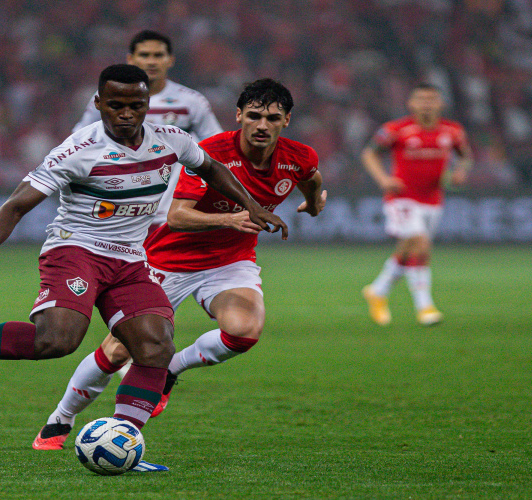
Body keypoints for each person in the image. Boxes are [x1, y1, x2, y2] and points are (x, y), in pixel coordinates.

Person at [0, 64, 287, 470]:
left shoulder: (172, 140)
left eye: (135, 105)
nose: (126, 113)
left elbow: (211, 168)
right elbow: (16, 204)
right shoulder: (77, 150)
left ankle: (124, 441)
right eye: (115, 105)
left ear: (147, 105)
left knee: (155, 346)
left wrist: (250, 203)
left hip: (130, 259)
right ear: (99, 104)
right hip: (76, 251)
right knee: (56, 340)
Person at [33, 78, 325, 451]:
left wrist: (314, 203)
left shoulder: (298, 156)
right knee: (118, 350)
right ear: (239, 116)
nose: (262, 125)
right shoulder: (211, 153)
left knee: (244, 331)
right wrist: (231, 219)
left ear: (286, 120)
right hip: (168, 261)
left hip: (230, 262)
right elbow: (177, 216)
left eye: (272, 118)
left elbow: (310, 179)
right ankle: (60, 419)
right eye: (253, 116)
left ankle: (172, 369)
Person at [73, 30, 224, 227]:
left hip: (169, 213)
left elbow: (217, 148)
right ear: (130, 59)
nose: (151, 62)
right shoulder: (109, 96)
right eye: (144, 55)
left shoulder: (191, 102)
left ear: (170, 60)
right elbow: (79, 141)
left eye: (158, 55)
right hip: (119, 208)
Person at [360, 83, 472, 327]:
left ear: (441, 103)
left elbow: (464, 156)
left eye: (432, 99)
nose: (427, 104)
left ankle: (378, 290)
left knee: (408, 250)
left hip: (432, 200)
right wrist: (383, 179)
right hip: (401, 197)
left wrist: (460, 171)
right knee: (420, 245)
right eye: (421, 99)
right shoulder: (396, 129)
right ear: (411, 103)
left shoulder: (453, 131)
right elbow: (369, 153)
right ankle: (425, 307)